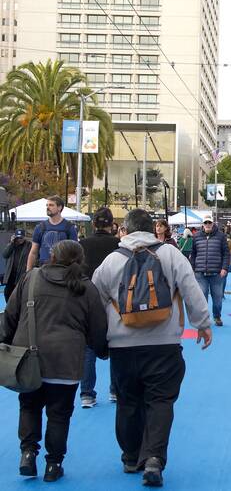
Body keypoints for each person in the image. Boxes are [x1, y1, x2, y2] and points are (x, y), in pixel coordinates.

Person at [92, 209, 212, 487]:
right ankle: (154, 458)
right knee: (160, 401)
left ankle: (130, 456)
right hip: (164, 343)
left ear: (126, 230)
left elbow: (95, 299)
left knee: (127, 401)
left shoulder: (112, 260)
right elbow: (191, 289)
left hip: (123, 345)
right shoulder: (170, 255)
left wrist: (99, 337)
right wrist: (202, 323)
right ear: (152, 229)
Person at [2, 241, 108, 482]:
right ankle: (53, 464)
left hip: (29, 356)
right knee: (59, 414)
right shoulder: (85, 287)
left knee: (29, 406)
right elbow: (98, 326)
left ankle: (28, 453)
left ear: (52, 256)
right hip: (66, 361)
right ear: (80, 260)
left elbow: (11, 314)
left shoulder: (32, 278)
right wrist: (102, 350)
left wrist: (5, 342)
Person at [78, 207, 120, 408]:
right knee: (117, 345)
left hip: (87, 299)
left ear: (93, 224)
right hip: (115, 300)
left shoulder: (82, 244)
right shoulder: (119, 245)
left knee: (88, 349)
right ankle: (115, 390)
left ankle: (86, 393)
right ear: (112, 225)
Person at [191, 217, 230, 327]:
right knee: (202, 298)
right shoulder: (196, 236)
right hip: (200, 273)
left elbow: (226, 254)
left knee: (217, 298)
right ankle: (203, 318)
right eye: (205, 222)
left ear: (213, 223)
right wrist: (192, 267)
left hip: (217, 273)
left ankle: (217, 316)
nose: (207, 224)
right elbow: (193, 254)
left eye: (209, 222)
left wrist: (224, 268)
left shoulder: (221, 236)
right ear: (203, 224)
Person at [26, 196, 78, 271]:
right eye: (47, 205)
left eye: (51, 205)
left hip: (62, 269)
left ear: (59, 207)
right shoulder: (40, 227)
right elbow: (33, 252)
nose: (48, 207)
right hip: (43, 269)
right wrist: (28, 272)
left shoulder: (69, 227)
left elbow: (74, 252)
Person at [2, 229, 31, 302]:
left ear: (24, 237)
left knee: (20, 295)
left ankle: (19, 311)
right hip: (11, 275)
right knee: (7, 293)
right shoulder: (12, 244)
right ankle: (9, 310)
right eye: (18, 237)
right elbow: (5, 255)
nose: (19, 239)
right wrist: (11, 243)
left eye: (21, 237)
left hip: (22, 274)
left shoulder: (29, 245)